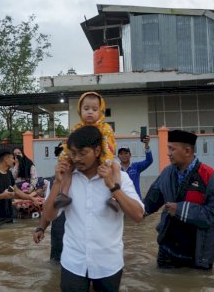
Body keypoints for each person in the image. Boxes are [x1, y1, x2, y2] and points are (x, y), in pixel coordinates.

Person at [43, 125, 144, 291]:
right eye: (73, 153)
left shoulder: (120, 178)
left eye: (83, 153)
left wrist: (112, 187)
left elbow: (138, 215)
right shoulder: (66, 179)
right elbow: (49, 215)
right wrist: (57, 182)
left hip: (108, 264)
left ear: (97, 151)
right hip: (73, 263)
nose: (77, 158)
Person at [143, 130, 214, 270]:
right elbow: (149, 203)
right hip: (167, 250)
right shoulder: (166, 173)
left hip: (198, 253)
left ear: (188, 151)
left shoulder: (209, 176)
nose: (168, 153)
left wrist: (181, 210)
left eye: (172, 149)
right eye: (168, 148)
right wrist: (124, 204)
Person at [54, 91, 120, 212]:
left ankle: (115, 198)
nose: (90, 112)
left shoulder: (105, 128)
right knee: (68, 168)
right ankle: (63, 194)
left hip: (105, 157)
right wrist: (63, 158)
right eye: (86, 108)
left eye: (94, 109)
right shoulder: (77, 128)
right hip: (83, 161)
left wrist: (106, 161)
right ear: (80, 110)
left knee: (116, 167)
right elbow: (69, 145)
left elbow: (108, 145)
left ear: (101, 111)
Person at [0, 148, 40, 229]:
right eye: (13, 158)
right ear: (6, 159)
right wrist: (3, 196)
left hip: (8, 216)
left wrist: (31, 198)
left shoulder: (9, 173)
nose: (14, 161)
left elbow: (17, 191)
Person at [33, 142, 65, 263]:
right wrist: (40, 228)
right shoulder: (53, 181)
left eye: (66, 154)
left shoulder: (83, 180)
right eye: (60, 154)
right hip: (58, 237)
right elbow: (48, 208)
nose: (63, 158)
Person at [117, 135, 153, 199]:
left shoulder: (136, 166)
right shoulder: (116, 169)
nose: (124, 155)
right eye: (121, 153)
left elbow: (149, 160)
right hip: (122, 202)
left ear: (130, 155)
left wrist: (147, 146)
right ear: (118, 156)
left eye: (126, 153)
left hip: (136, 200)